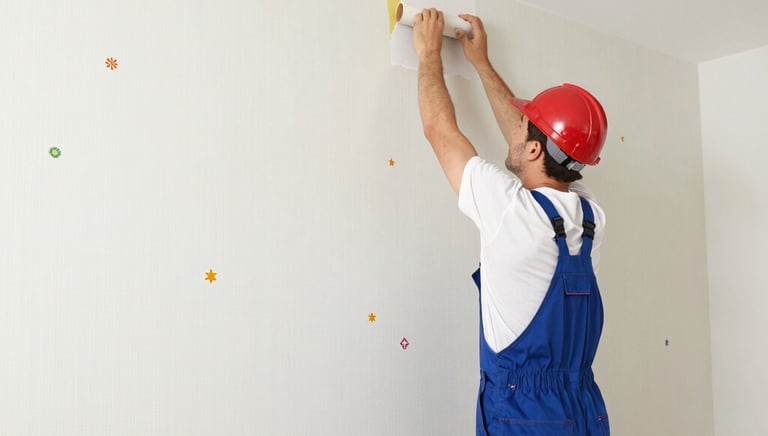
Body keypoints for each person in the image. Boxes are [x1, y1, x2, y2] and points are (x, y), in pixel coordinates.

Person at [412, 9, 611, 436]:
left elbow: (438, 130)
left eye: (523, 126)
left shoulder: (509, 210)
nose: (514, 128)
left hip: (525, 413)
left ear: (537, 151)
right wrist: (481, 64)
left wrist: (429, 53)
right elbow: (538, 146)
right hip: (584, 409)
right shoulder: (591, 216)